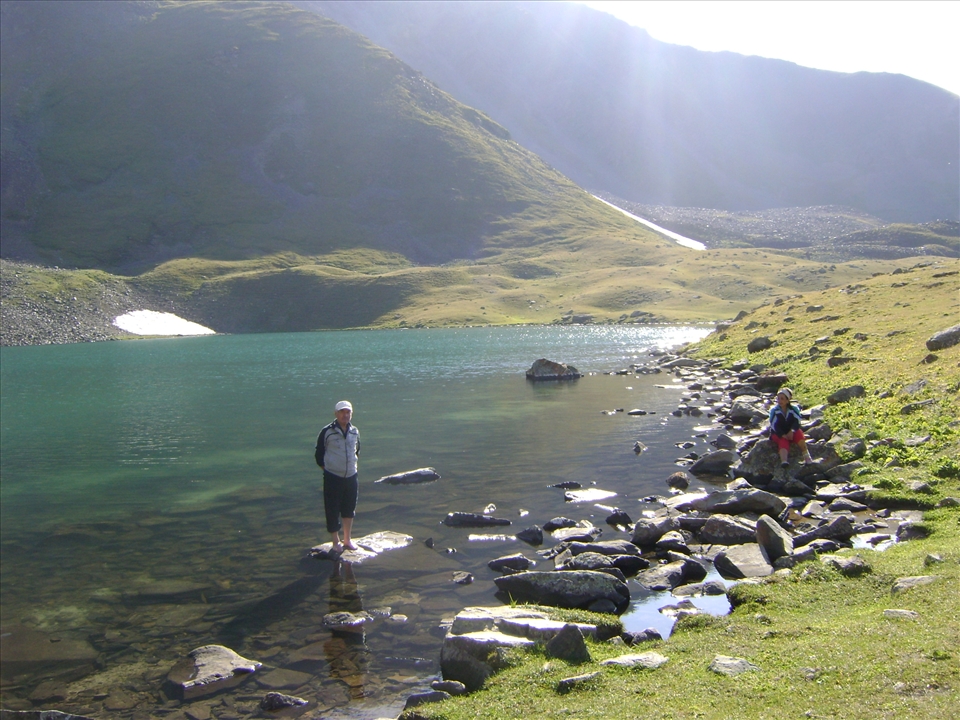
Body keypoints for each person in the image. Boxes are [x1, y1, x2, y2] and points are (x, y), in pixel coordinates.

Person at [316, 400, 360, 553]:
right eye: (342, 412)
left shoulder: (355, 431)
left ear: (351, 414)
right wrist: (330, 469)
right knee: (332, 509)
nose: (345, 415)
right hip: (333, 477)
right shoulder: (327, 432)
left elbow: (357, 451)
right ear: (336, 414)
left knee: (349, 507)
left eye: (348, 412)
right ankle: (335, 541)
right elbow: (319, 455)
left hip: (351, 476)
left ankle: (347, 539)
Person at [768, 387, 814, 468]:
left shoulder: (793, 409)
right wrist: (782, 434)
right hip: (778, 433)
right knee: (783, 441)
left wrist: (792, 431)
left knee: (799, 434)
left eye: (782, 399)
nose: (780, 401)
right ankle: (784, 461)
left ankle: (807, 456)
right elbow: (774, 425)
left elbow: (797, 422)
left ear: (787, 400)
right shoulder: (774, 410)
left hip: (790, 431)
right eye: (778, 399)